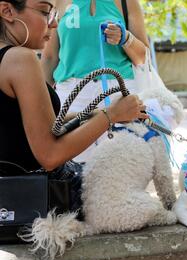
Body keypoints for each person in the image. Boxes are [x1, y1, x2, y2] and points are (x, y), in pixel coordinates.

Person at [0, 0, 147, 211]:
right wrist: (110, 115)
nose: (52, 24)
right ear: (7, 11)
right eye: (44, 12)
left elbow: (36, 123)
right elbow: (50, 155)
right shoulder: (21, 59)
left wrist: (99, 113)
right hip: (36, 199)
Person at [41, 0, 149, 161]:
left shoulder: (128, 2)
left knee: (122, 169)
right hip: (71, 96)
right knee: (71, 171)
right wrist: (39, 103)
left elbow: (143, 58)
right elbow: (49, 57)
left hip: (118, 94)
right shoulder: (59, 2)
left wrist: (125, 38)